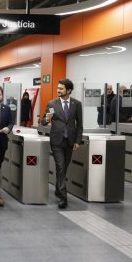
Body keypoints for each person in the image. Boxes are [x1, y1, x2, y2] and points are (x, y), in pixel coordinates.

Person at [41, 78, 83, 209]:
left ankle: (58, 189)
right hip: (56, 141)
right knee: (60, 166)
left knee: (64, 168)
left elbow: (79, 125)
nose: (58, 90)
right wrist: (46, 119)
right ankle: (63, 198)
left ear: (68, 90)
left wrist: (77, 141)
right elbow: (43, 122)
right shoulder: (52, 104)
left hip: (70, 141)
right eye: (58, 88)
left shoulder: (77, 104)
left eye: (61, 88)